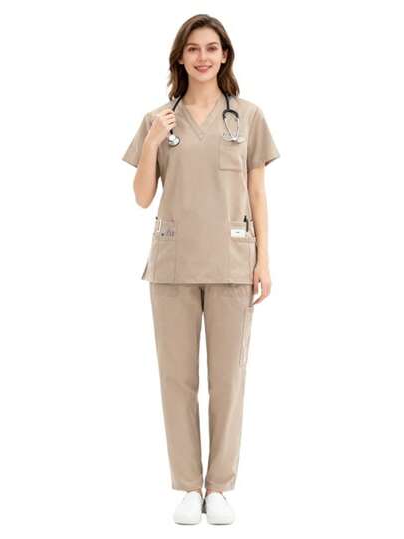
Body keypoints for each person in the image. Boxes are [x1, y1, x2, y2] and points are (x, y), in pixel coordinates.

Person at [122, 14, 280, 525]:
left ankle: (219, 487)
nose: (203, 57)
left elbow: (257, 193)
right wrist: (153, 142)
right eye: (193, 48)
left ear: (225, 55)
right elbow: (142, 197)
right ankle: (189, 486)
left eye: (212, 48)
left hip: (233, 262)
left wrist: (264, 259)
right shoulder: (158, 119)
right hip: (173, 265)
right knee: (178, 380)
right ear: (180, 57)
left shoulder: (248, 117)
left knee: (228, 382)